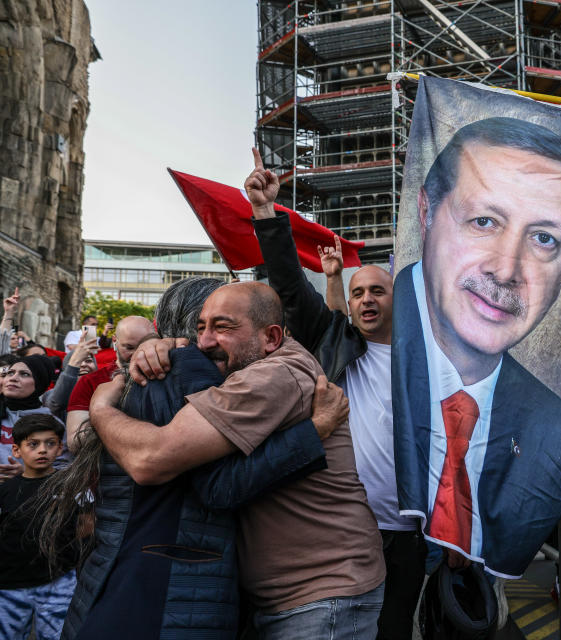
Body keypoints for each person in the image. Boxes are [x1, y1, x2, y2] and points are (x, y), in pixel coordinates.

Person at [94, 281, 385, 640]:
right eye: (200, 328)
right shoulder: (240, 369)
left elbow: (150, 460)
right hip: (291, 596)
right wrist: (169, 345)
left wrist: (99, 408)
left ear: (271, 337)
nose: (205, 341)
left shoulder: (272, 375)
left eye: (224, 327)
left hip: (321, 597)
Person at [392, 116, 561, 577]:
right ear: (425, 214)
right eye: (484, 221)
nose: (506, 270)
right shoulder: (365, 349)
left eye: (545, 239)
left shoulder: (559, 427)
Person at [245, 147, 425, 640]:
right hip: (346, 527)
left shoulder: (429, 360)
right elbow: (287, 285)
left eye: (378, 291)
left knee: (394, 630)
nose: (367, 298)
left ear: (398, 300)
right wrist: (266, 213)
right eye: (359, 292)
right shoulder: (333, 341)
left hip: (413, 531)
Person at [0, 414, 81, 640]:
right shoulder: (6, 491)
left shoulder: (72, 485)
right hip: (9, 585)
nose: (42, 450)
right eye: (33, 444)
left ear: (60, 448)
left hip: (58, 582)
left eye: (50, 443)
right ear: (16, 450)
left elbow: (86, 524)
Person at [64, 315, 156, 449]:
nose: (136, 354)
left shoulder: (163, 375)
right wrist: (103, 405)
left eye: (143, 347)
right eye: (129, 348)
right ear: (115, 342)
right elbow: (74, 442)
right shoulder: (90, 382)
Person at [1, 355, 59, 484]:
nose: (13, 378)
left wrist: (27, 473)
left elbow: (64, 469)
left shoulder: (51, 423)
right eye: (10, 373)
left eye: (24, 374)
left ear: (39, 383)